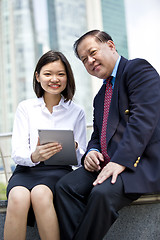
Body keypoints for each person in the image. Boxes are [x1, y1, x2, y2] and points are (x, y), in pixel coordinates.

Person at [55, 30, 160, 240]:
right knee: (65, 187)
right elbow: (98, 135)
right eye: (84, 60)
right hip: (107, 163)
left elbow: (144, 119)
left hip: (140, 164)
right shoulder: (100, 95)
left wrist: (121, 161)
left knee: (101, 193)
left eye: (93, 52)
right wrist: (92, 152)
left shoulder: (137, 69)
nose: (90, 61)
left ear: (111, 46)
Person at [4, 50, 86, 240]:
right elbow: (17, 152)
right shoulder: (26, 108)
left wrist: (74, 148)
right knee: (18, 196)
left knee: (41, 193)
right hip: (26, 170)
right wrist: (35, 156)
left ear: (67, 77)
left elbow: (82, 160)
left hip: (59, 171)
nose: (54, 79)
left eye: (60, 74)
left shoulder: (77, 111)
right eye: (48, 74)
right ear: (38, 76)